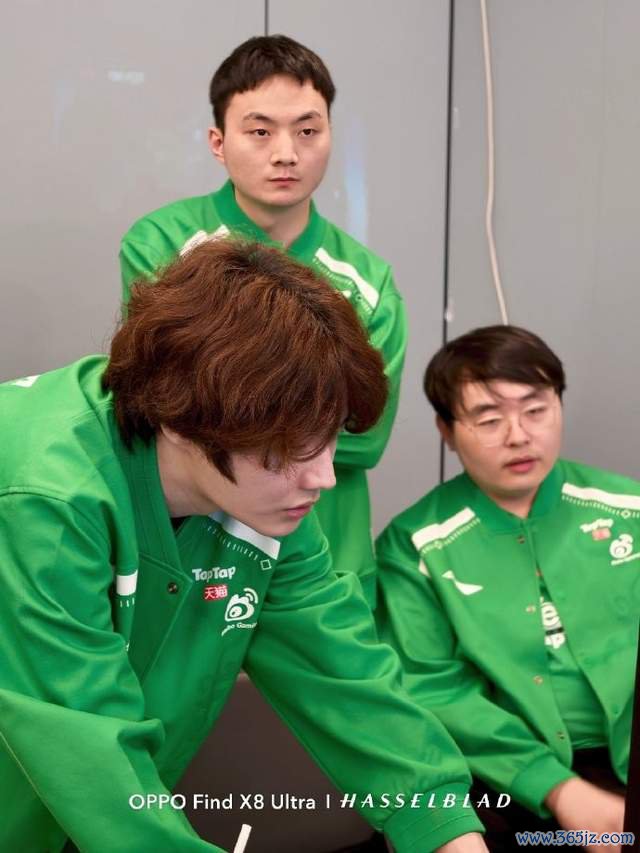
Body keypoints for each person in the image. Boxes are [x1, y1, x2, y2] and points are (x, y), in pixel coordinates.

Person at [0, 240, 486, 853]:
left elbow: (344, 675)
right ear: (179, 420)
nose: (323, 477)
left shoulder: (259, 493)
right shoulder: (46, 497)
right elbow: (87, 748)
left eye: (330, 437)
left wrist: (448, 832)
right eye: (290, 450)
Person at [119, 34, 407, 606]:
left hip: (328, 552)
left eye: (307, 131)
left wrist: (241, 409)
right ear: (218, 142)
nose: (286, 153)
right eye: (260, 132)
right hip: (199, 553)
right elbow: (164, 402)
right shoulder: (163, 246)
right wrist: (308, 415)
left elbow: (365, 437)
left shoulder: (368, 281)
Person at [375, 325, 637, 852]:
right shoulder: (416, 544)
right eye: (489, 419)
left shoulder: (629, 510)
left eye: (536, 410)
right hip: (499, 780)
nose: (519, 436)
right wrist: (557, 788)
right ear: (447, 431)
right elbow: (431, 689)